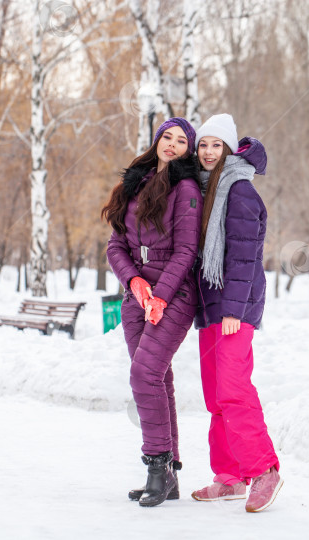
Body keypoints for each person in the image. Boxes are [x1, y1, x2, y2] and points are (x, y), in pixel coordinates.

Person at [102, 118, 202, 507]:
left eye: (182, 141)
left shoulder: (186, 189)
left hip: (173, 296)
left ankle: (156, 467)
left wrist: (160, 295)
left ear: (187, 149)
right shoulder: (136, 180)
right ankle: (171, 475)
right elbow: (115, 246)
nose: (172, 144)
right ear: (157, 141)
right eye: (167, 137)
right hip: (136, 298)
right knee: (159, 379)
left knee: (143, 375)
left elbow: (185, 251)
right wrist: (135, 284)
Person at [190, 114, 282, 513]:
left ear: (228, 149)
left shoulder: (239, 189)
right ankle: (229, 478)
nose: (209, 152)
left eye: (216, 145)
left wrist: (232, 310)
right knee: (215, 397)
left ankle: (265, 471)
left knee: (234, 390)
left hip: (233, 309)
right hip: (211, 307)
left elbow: (245, 256)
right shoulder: (208, 189)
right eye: (204, 145)